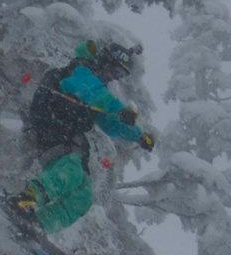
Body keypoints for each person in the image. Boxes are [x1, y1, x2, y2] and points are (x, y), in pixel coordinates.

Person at [9, 38, 155, 232]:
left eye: (120, 74)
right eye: (115, 70)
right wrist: (119, 109)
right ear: (105, 61)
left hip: (66, 136)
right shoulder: (81, 69)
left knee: (83, 195)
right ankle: (26, 200)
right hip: (50, 125)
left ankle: (38, 225)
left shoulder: (98, 94)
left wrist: (138, 135)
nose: (114, 77)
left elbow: (110, 123)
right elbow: (88, 89)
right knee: (71, 169)